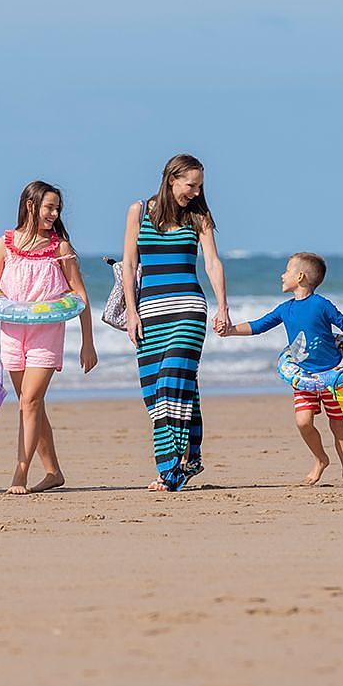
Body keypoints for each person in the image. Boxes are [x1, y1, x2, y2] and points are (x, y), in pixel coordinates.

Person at [0, 181, 98, 494]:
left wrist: (88, 343)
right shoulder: (4, 245)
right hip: (12, 333)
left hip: (47, 333)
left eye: (57, 209)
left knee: (29, 402)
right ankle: (53, 471)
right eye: (49, 207)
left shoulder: (60, 249)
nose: (54, 214)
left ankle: (19, 474)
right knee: (31, 404)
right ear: (31, 205)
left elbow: (80, 296)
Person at [121, 154, 231, 492]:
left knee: (171, 383)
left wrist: (223, 306)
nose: (196, 193)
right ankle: (187, 458)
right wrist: (131, 311)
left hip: (188, 311)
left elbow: (212, 263)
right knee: (157, 394)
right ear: (172, 179)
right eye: (190, 185)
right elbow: (128, 264)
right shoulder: (139, 211)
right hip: (150, 315)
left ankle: (170, 471)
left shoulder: (199, 217)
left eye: (199, 187)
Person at [217, 252, 343, 486]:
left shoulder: (321, 305)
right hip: (304, 378)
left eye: (287, 271)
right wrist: (231, 330)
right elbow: (259, 325)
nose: (282, 275)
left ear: (301, 276)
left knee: (338, 424)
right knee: (303, 422)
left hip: (333, 376)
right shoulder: (285, 309)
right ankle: (321, 459)